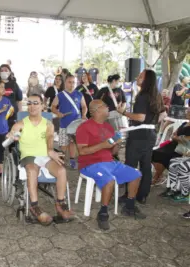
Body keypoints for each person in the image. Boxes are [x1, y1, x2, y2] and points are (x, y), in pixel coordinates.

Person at [76, 99, 146, 230]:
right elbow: (82, 151)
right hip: (90, 164)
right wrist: (104, 144)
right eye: (105, 106)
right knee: (109, 180)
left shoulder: (108, 127)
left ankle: (129, 206)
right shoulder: (84, 127)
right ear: (96, 110)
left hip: (109, 162)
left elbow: (112, 151)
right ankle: (103, 213)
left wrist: (117, 144)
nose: (108, 108)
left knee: (136, 174)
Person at [7, 94, 73, 225]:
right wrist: (11, 135)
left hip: (45, 156)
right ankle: (35, 207)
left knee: (61, 171)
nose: (32, 106)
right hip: (29, 156)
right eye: (30, 103)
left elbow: (49, 142)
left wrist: (51, 152)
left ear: (43, 106)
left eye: (36, 103)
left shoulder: (48, 124)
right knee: (31, 170)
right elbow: (12, 134)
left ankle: (60, 204)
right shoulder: (20, 124)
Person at [116, 69, 165, 204]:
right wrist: (152, 122)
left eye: (141, 76)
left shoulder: (143, 96)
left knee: (130, 164)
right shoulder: (156, 95)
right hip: (150, 134)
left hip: (139, 135)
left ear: (147, 80)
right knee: (145, 165)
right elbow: (163, 114)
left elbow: (140, 117)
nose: (137, 77)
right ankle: (142, 195)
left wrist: (124, 112)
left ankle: (129, 194)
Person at [51, 74, 87, 168]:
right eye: (69, 82)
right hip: (64, 123)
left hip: (76, 123)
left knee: (72, 142)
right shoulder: (60, 95)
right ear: (65, 83)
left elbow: (84, 107)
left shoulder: (79, 94)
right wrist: (58, 113)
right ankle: (61, 160)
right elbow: (53, 107)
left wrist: (83, 115)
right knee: (63, 144)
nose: (72, 84)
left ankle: (72, 160)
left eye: (74, 82)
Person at [151, 116, 190, 185]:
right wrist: (178, 138)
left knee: (166, 156)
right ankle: (160, 176)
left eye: (189, 111)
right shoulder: (184, 123)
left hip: (182, 148)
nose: (187, 111)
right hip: (172, 144)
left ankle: (157, 176)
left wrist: (177, 138)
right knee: (154, 153)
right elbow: (174, 134)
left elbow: (187, 140)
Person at [0, 64, 22, 129]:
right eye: (2, 70)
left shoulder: (14, 84)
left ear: (10, 72)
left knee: (11, 136)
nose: (4, 72)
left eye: (6, 70)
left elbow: (19, 101)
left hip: (12, 117)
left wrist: (20, 116)